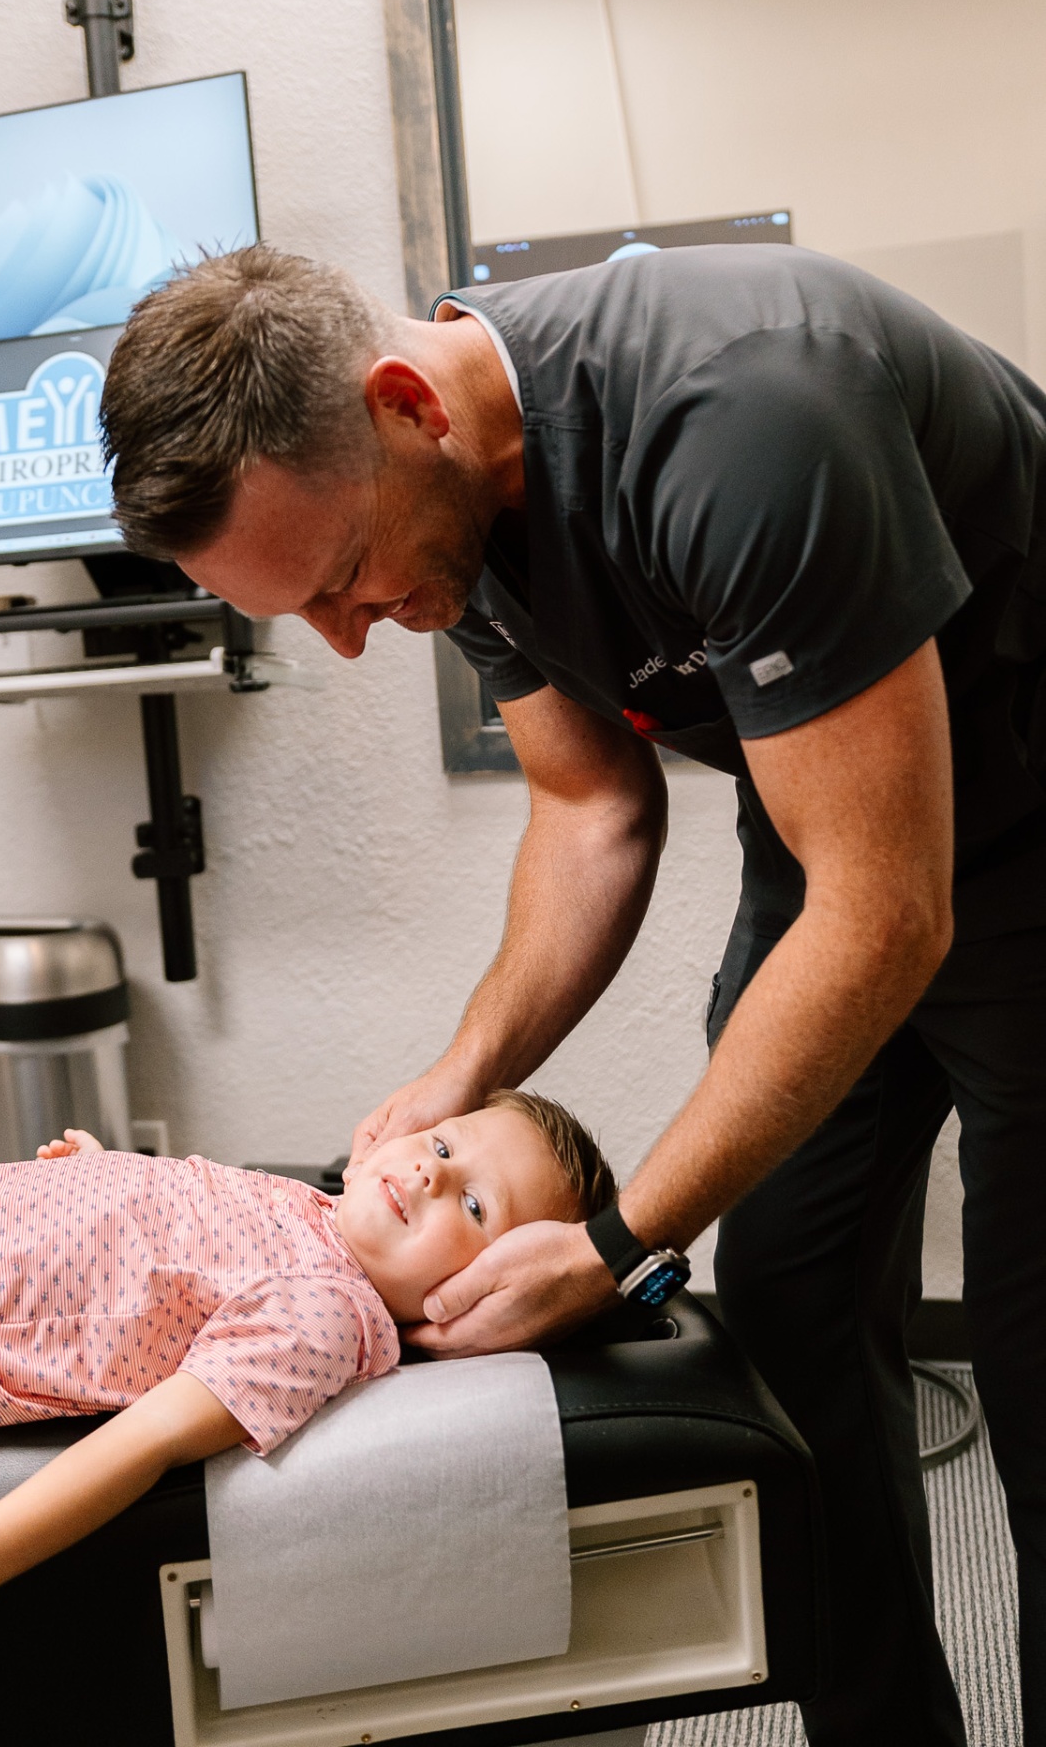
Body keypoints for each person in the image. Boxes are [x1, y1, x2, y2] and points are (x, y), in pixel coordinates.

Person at [100, 242, 1046, 1747]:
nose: (347, 634)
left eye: (341, 580)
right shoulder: (446, 504)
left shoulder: (741, 421)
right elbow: (590, 804)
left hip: (1006, 826)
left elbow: (888, 912)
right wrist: (459, 1071)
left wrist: (615, 1238)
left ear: (407, 403)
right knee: (793, 1310)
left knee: (1030, 1348)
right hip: (838, 831)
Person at [0, 1090, 614, 1715]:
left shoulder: (326, 1311)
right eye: (441, 1144)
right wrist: (110, 1181)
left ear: (476, 1297)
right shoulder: (311, 1205)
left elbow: (149, 1440)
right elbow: (184, 1248)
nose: (432, 1172)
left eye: (473, 1204)